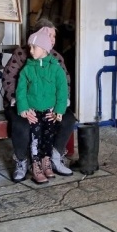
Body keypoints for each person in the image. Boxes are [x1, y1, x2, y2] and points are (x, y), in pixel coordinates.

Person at [2, 19, 76, 182]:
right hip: (22, 103)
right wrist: (23, 106)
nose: (51, 39)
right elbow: (9, 80)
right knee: (21, 124)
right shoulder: (22, 54)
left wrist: (56, 108)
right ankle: (21, 161)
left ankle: (53, 157)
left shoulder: (55, 58)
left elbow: (64, 84)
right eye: (47, 35)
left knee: (68, 119)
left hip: (49, 105)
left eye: (53, 36)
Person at [16, 27, 69, 184]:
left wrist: (59, 110)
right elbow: (21, 91)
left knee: (48, 137)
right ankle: (36, 164)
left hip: (49, 112)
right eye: (29, 47)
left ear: (45, 48)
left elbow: (62, 91)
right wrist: (24, 109)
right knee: (35, 139)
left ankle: (46, 161)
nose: (31, 50)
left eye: (34, 47)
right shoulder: (27, 69)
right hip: (33, 112)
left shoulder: (56, 69)